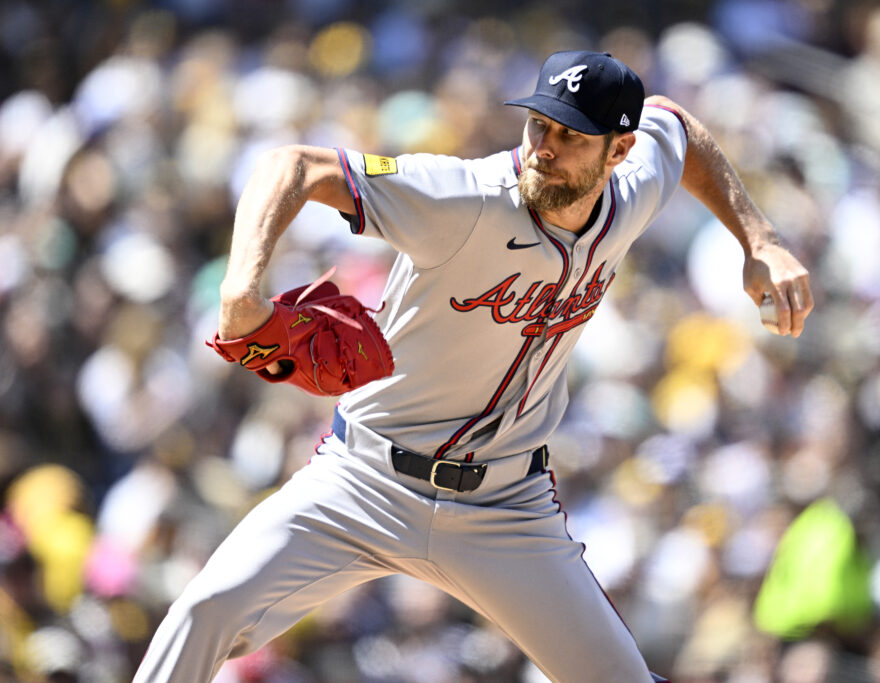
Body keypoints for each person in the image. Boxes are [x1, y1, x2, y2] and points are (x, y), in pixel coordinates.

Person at [135, 50, 813, 682]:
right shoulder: (462, 197)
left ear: (619, 151)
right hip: (364, 480)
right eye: (539, 124)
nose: (544, 147)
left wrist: (761, 238)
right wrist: (240, 286)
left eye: (571, 136)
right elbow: (292, 165)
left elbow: (679, 128)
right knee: (205, 610)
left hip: (506, 510)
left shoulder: (633, 189)